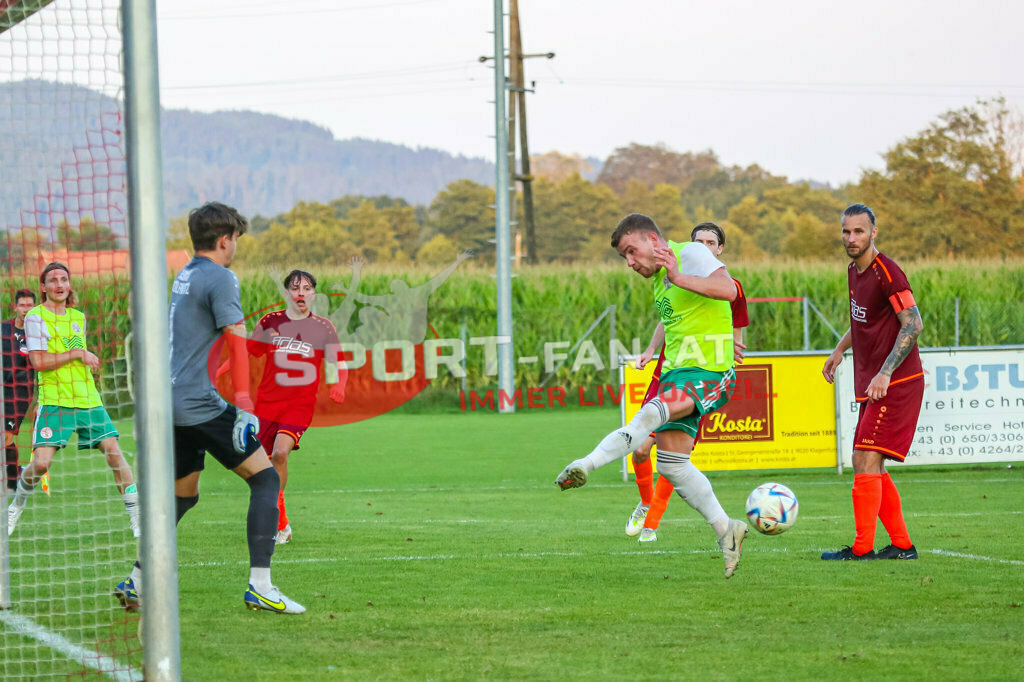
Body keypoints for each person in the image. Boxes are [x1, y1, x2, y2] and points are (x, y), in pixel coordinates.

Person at [116, 202, 304, 614]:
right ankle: (261, 586)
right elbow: (236, 341)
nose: (236, 247)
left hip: (167, 402)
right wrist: (244, 405)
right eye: (235, 239)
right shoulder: (221, 277)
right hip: (196, 403)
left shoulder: (186, 274)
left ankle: (138, 580)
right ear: (224, 240)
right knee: (266, 481)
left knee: (183, 496)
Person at [556, 213, 749, 579]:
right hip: (677, 370)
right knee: (672, 465)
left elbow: (730, 291)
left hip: (709, 369)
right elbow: (673, 319)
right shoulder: (661, 280)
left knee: (651, 414)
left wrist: (679, 276)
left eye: (631, 251)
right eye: (623, 257)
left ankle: (586, 464)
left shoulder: (689, 253)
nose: (630, 263)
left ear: (651, 240)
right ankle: (728, 531)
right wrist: (651, 348)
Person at [627, 222, 749, 542]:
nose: (704, 247)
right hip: (667, 370)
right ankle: (644, 503)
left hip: (700, 371)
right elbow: (667, 319)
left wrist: (733, 342)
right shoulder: (674, 269)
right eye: (699, 241)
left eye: (711, 242)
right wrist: (651, 350)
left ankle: (652, 524)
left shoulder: (718, 281)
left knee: (673, 457)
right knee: (640, 450)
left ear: (719, 250)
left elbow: (736, 309)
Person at [820, 203, 923, 561]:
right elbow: (862, 321)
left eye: (859, 231)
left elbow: (913, 324)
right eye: (846, 231)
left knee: (864, 458)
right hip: (875, 381)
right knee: (870, 462)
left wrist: (885, 371)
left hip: (897, 381)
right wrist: (838, 350)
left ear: (873, 232)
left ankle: (862, 550)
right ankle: (902, 546)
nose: (851, 238)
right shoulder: (854, 270)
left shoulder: (887, 272)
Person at [6, 263, 139, 538]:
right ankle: (16, 506)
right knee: (41, 465)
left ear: (69, 285)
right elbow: (38, 361)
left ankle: (138, 521)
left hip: (88, 398)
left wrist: (89, 361)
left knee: (114, 451)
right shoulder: (35, 317)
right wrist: (79, 354)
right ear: (43, 287)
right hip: (55, 400)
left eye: (64, 279)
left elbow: (76, 351)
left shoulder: (78, 317)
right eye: (52, 280)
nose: (59, 284)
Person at [245, 265, 348, 545]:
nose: (300, 293)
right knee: (264, 466)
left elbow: (340, 362)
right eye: (295, 288)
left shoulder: (323, 326)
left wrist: (339, 384)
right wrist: (224, 370)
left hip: (299, 406)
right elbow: (248, 352)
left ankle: (274, 518)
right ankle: (282, 524)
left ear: (314, 294)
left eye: (306, 288)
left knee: (280, 454)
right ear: (287, 293)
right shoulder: (269, 322)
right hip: (266, 405)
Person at [3, 289, 38, 492]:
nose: (26, 309)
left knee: (6, 436)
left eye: (30, 305)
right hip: (2, 390)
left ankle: (13, 481)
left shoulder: (36, 334)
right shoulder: (3, 329)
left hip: (20, 394)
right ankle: (16, 472)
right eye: (23, 305)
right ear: (15, 307)